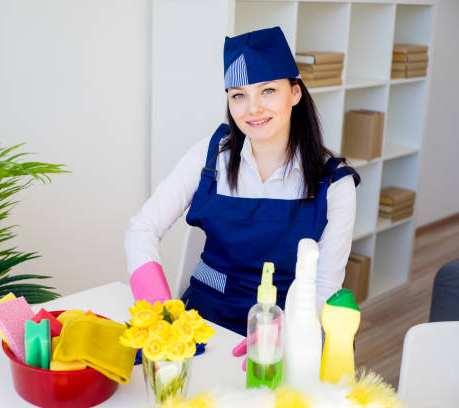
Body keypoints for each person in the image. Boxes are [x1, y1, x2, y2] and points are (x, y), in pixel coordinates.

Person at [124, 26, 360, 336]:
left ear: (295, 93)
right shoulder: (209, 158)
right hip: (206, 321)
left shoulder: (334, 183)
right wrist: (158, 307)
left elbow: (326, 286)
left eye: (268, 90)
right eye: (239, 95)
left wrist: (276, 340)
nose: (253, 108)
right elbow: (142, 228)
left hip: (292, 330)